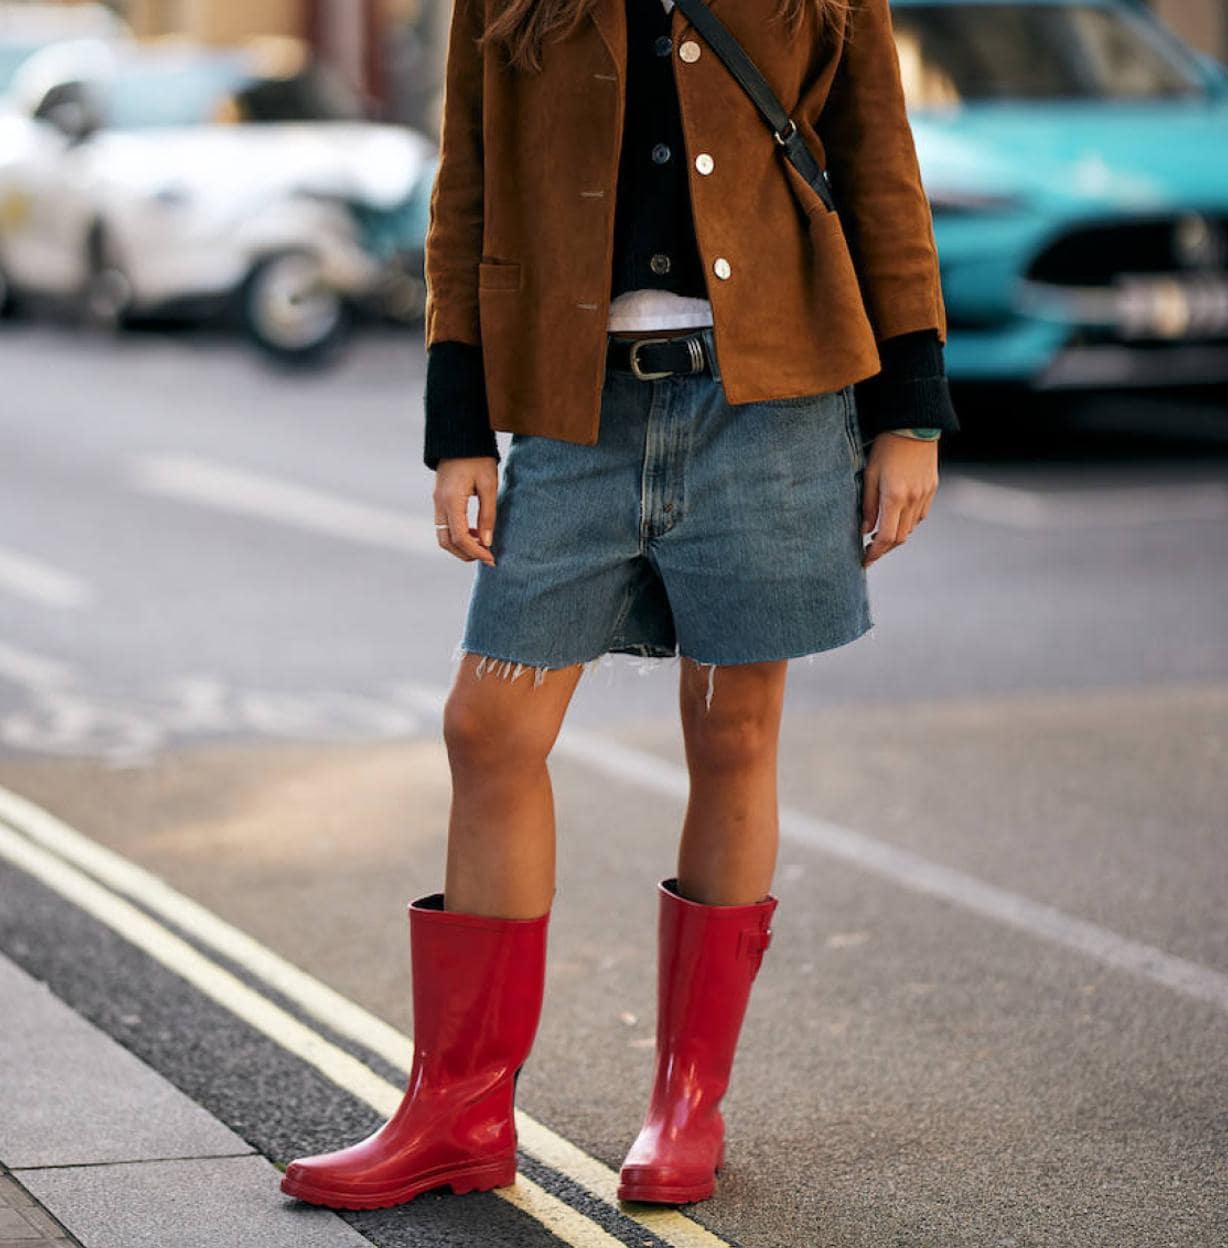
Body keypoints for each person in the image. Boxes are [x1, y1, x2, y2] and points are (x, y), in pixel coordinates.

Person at [280, 0, 959, 1212]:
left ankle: (688, 1104)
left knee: (735, 735)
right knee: (488, 729)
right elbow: (466, 195)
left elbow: (882, 179)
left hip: (771, 415)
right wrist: (458, 430)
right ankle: (460, 1110)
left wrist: (909, 413)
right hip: (573, 414)